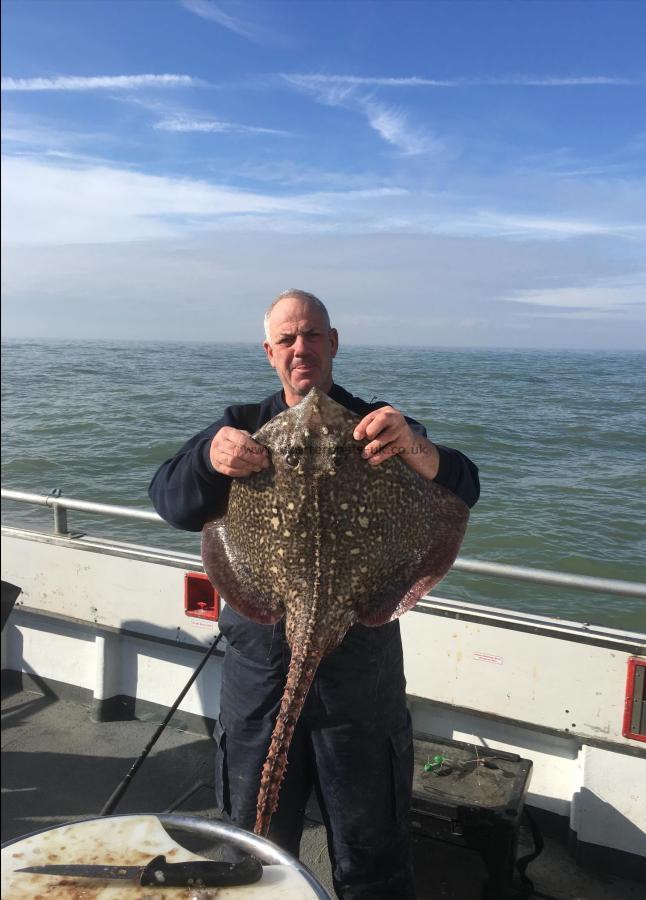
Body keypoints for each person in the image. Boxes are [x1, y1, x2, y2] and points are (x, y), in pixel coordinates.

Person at [149, 290, 479, 899]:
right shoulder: (242, 424)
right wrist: (209, 457)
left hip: (361, 671)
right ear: (270, 352)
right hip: (259, 668)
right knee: (253, 841)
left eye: (313, 336)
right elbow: (169, 499)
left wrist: (415, 448)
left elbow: (463, 485)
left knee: (370, 843)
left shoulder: (379, 424)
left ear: (333, 343)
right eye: (288, 339)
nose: (301, 349)